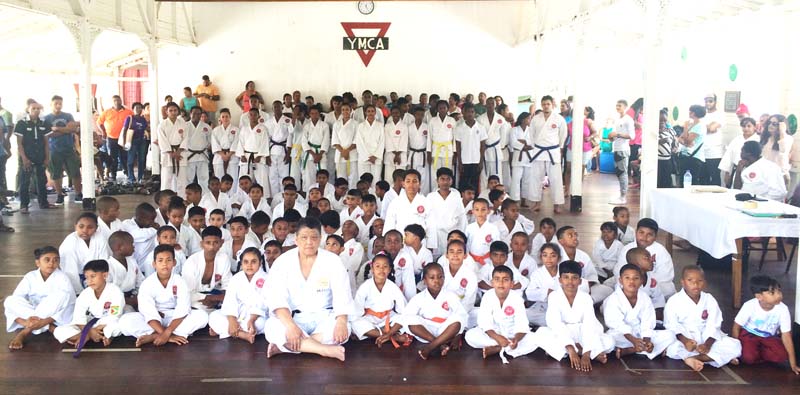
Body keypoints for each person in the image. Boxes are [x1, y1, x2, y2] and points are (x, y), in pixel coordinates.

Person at [264, 217, 354, 361]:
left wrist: (341, 321)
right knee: (271, 327)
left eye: (314, 238)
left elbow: (342, 294)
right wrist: (291, 326)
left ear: (320, 239)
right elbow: (276, 298)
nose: (309, 242)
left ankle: (286, 347)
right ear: (296, 239)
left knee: (343, 330)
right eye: (304, 237)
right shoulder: (283, 261)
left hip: (324, 316)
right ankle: (323, 350)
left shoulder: (333, 261)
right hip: (293, 318)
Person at [119, 245, 209, 347]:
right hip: (155, 319)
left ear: (174, 262)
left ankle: (154, 336)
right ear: (154, 264)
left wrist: (167, 332)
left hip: (175, 318)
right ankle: (168, 336)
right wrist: (166, 334)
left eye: (168, 260)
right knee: (125, 321)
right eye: (160, 260)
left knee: (202, 316)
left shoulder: (180, 281)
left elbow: (183, 308)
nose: (164, 264)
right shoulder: (147, 283)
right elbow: (148, 311)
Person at [536, 260, 614, 371]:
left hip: (582, 332)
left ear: (580, 281)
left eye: (574, 278)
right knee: (540, 334)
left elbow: (589, 324)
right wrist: (571, 349)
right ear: (560, 280)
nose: (570, 282)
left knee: (610, 341)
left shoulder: (586, 298)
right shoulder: (554, 296)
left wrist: (586, 354)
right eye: (566, 277)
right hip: (562, 332)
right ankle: (581, 352)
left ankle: (582, 351)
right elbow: (555, 323)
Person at [664, 265, 741, 371]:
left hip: (706, 337)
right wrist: (685, 341)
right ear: (682, 282)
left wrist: (707, 345)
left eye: (699, 280)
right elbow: (671, 325)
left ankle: (692, 359)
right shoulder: (674, 301)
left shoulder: (709, 299)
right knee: (671, 347)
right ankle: (717, 358)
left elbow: (714, 325)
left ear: (704, 282)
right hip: (685, 337)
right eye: (690, 280)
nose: (695, 284)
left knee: (735, 345)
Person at [4, 246, 75, 350]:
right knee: (9, 300)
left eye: (56, 260)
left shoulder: (62, 277)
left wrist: (44, 320)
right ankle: (45, 327)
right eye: (47, 260)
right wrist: (38, 321)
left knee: (63, 295)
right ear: (38, 263)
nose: (51, 263)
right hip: (32, 312)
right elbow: (18, 296)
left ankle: (25, 331)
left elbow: (70, 302)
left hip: (52, 314)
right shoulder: (30, 276)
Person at [466, 265, 539, 363]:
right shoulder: (488, 296)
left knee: (535, 339)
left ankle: (498, 348)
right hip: (493, 333)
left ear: (512, 284)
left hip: (512, 333)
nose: (501, 283)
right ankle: (504, 347)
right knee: (470, 336)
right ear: (492, 283)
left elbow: (522, 324)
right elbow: (484, 322)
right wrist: (497, 337)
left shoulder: (517, 299)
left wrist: (516, 339)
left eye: (505, 279)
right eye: (497, 279)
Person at [603, 263, 675, 359]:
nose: (631, 281)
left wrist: (646, 340)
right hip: (622, 335)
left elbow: (648, 321)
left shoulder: (644, 298)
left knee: (670, 335)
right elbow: (615, 323)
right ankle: (637, 349)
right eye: (627, 278)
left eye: (636, 278)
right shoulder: (613, 299)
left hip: (639, 333)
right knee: (609, 340)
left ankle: (631, 350)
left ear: (641, 281)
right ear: (620, 280)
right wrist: (633, 340)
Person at [732, 275, 799, 373]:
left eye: (779, 291)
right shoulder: (749, 306)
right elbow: (736, 327)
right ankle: (754, 351)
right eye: (772, 293)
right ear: (759, 297)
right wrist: (735, 351)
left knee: (782, 355)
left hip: (769, 337)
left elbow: (786, 335)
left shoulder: (783, 309)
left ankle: (758, 351)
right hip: (749, 335)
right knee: (748, 358)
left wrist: (793, 364)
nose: (778, 295)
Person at [400, 262, 467, 360]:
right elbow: (406, 317)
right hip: (426, 332)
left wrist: (458, 336)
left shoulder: (450, 296)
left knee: (457, 319)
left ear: (444, 278)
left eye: (440, 277)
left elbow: (462, 316)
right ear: (425, 281)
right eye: (432, 278)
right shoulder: (418, 298)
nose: (437, 281)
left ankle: (430, 347)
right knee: (410, 319)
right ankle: (438, 344)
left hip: (445, 330)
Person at [53, 259, 125, 347]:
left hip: (106, 324)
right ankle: (96, 336)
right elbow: (79, 318)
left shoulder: (115, 292)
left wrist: (93, 330)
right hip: (89, 325)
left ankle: (88, 337)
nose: (89, 281)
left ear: (105, 275)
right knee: (59, 331)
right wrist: (90, 331)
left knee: (117, 326)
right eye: (87, 277)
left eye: (93, 276)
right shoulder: (85, 294)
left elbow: (114, 316)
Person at [208, 247, 268, 343]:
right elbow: (230, 300)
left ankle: (225, 331)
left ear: (260, 263)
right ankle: (242, 334)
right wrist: (232, 320)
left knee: (263, 324)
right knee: (214, 316)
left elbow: (263, 303)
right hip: (236, 313)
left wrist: (252, 320)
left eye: (253, 262)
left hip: (255, 316)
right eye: (246, 262)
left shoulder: (266, 278)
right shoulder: (236, 278)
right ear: (241, 263)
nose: (249, 265)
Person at [350, 253, 410, 347]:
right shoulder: (365, 286)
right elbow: (358, 310)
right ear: (372, 269)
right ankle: (393, 337)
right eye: (377, 266)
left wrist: (397, 322)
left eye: (385, 266)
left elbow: (402, 310)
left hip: (388, 318)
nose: (381, 269)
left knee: (405, 318)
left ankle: (377, 334)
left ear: (389, 270)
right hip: (370, 318)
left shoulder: (393, 287)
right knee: (354, 323)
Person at [15, 101, 56, 213]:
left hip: (40, 156)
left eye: (38, 108)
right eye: (33, 108)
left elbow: (47, 143)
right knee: (25, 181)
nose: (36, 110)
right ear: (28, 109)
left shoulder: (44, 123)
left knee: (41, 180)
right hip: (27, 156)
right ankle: (24, 205)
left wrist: (47, 158)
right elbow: (19, 144)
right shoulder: (22, 123)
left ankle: (43, 202)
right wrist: (24, 158)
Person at [530, 96, 568, 212]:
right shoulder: (536, 118)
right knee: (536, 177)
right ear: (541, 105)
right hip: (539, 150)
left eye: (548, 104)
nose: (546, 106)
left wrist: (560, 147)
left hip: (553, 151)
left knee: (556, 178)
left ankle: (557, 204)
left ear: (552, 104)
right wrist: (534, 146)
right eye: (544, 104)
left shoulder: (559, 119)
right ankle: (537, 203)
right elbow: (531, 134)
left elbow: (563, 134)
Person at [59, 212, 112, 294]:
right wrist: (79, 292)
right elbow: (70, 270)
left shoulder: (100, 238)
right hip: (77, 278)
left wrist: (100, 283)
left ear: (96, 228)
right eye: (81, 226)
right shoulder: (70, 242)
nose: (85, 230)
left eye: (90, 227)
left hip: (97, 276)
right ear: (75, 226)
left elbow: (104, 262)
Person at [383, 169, 437, 250]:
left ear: (419, 184)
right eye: (408, 181)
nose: (411, 184)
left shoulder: (426, 202)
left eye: (414, 181)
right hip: (400, 244)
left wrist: (430, 247)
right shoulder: (395, 203)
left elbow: (431, 227)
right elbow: (389, 225)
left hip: (420, 245)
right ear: (403, 184)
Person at [181, 226, 230, 312]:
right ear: (202, 244)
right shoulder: (192, 262)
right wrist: (210, 298)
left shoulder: (224, 258)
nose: (211, 247)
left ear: (221, 243)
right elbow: (187, 291)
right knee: (201, 312)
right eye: (208, 243)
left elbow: (227, 285)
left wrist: (218, 298)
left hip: (216, 295)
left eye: (215, 242)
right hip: (196, 297)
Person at [45, 95, 83, 203]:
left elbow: (73, 129)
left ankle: (78, 194)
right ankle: (59, 195)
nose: (58, 106)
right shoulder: (47, 118)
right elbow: (49, 134)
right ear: (51, 104)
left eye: (60, 103)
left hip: (69, 149)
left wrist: (57, 128)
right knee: (56, 174)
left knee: (75, 172)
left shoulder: (68, 116)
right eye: (56, 103)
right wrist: (65, 129)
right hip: (54, 150)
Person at [427, 167, 466, 258]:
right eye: (442, 179)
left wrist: (461, 238)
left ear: (451, 181)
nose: (445, 182)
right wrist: (429, 241)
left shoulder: (456, 197)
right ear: (437, 180)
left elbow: (462, 219)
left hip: (452, 235)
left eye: (448, 179)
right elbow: (427, 219)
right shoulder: (430, 197)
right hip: (435, 235)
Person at [154, 102, 188, 196]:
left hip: (180, 153)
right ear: (166, 112)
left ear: (178, 111)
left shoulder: (183, 123)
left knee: (182, 179)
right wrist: (171, 153)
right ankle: (165, 199)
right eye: (171, 110)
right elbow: (162, 140)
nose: (173, 112)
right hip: (168, 154)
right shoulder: (162, 125)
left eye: (175, 110)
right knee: (166, 179)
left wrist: (178, 152)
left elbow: (185, 138)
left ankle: (182, 199)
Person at [98, 95, 134, 182]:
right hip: (111, 138)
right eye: (114, 101)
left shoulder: (128, 112)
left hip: (124, 139)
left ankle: (127, 173)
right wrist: (103, 132)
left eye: (118, 100)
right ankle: (113, 174)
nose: (117, 102)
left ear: (121, 101)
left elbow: (133, 122)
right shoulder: (107, 112)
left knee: (124, 157)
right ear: (112, 102)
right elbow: (99, 122)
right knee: (112, 158)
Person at [478, 97, 510, 191]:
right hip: (484, 150)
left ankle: (498, 195)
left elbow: (503, 135)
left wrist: (499, 146)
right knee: (484, 175)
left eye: (492, 104)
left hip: (496, 150)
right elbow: (479, 136)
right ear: (485, 105)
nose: (490, 106)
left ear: (495, 105)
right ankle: (484, 196)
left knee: (497, 175)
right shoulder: (480, 119)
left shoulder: (500, 119)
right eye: (488, 104)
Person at [106, 231, 144, 307]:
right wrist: (127, 300)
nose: (134, 246)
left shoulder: (132, 262)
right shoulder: (108, 266)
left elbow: (141, 281)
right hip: (116, 301)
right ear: (119, 247)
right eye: (131, 244)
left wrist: (139, 296)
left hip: (134, 296)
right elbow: (106, 291)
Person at [719, 117, 760, 188]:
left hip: (752, 170)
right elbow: (728, 156)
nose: (746, 128)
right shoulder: (736, 140)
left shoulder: (759, 140)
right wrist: (727, 173)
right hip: (736, 169)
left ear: (754, 127)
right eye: (744, 126)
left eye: (749, 126)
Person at [455, 104, 487, 192]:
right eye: (468, 112)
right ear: (463, 113)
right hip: (464, 161)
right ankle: (463, 202)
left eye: (472, 112)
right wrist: (460, 162)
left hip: (476, 160)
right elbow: (458, 146)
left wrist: (481, 161)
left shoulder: (481, 127)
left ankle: (475, 202)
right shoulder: (459, 128)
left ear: (475, 113)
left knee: (475, 183)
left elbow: (483, 145)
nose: (470, 114)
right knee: (463, 183)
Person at [236, 108, 269, 190]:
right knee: (244, 180)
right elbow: (240, 142)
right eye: (251, 115)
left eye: (255, 115)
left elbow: (265, 142)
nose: (253, 116)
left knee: (262, 180)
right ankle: (242, 199)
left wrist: (260, 155)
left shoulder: (263, 128)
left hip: (258, 157)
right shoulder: (244, 128)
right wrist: (241, 155)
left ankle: (263, 198)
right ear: (248, 116)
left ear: (259, 116)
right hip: (246, 157)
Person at [265, 101, 293, 198]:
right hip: (272, 151)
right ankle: (275, 198)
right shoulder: (268, 123)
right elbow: (266, 139)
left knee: (284, 176)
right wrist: (267, 155)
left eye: (279, 107)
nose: (277, 108)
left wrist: (288, 153)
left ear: (282, 108)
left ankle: (283, 197)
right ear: (272, 109)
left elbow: (290, 136)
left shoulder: (288, 121)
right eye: (275, 107)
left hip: (284, 151)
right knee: (272, 177)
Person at [608, 100, 633, 204]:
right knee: (619, 173)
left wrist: (617, 134)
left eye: (620, 106)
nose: (617, 107)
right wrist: (611, 137)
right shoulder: (617, 119)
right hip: (617, 148)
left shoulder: (628, 120)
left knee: (623, 173)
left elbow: (632, 136)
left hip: (623, 150)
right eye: (616, 105)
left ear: (625, 107)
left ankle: (623, 197)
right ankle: (621, 195)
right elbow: (615, 135)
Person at [301, 105, 330, 193]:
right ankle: (309, 198)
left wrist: (319, 154)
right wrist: (313, 154)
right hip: (310, 154)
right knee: (309, 177)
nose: (314, 115)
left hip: (321, 153)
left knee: (322, 176)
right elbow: (304, 141)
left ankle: (323, 196)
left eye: (316, 113)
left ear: (319, 114)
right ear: (309, 114)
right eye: (312, 113)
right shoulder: (306, 126)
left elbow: (326, 141)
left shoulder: (324, 125)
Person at [677, 105, 707, 187]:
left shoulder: (699, 126)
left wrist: (686, 127)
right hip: (685, 155)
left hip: (694, 158)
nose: (689, 113)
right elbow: (680, 139)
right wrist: (686, 141)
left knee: (691, 182)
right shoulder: (692, 124)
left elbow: (687, 140)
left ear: (694, 113)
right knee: (682, 181)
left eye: (690, 111)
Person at [428, 100, 457, 183]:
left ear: (447, 109)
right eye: (440, 108)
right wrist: (428, 153)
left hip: (448, 150)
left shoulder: (452, 120)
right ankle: (435, 191)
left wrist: (455, 153)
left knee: (448, 173)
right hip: (435, 150)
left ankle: (447, 190)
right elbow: (429, 138)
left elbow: (455, 137)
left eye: (444, 108)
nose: (442, 110)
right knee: (435, 173)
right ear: (437, 109)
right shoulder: (432, 121)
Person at [355, 104, 385, 185]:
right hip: (364, 157)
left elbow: (382, 142)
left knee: (376, 179)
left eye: (372, 111)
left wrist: (375, 156)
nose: (370, 113)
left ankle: (375, 197)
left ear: (375, 112)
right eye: (368, 111)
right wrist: (367, 156)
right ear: (365, 113)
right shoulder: (360, 126)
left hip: (376, 157)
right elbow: (359, 143)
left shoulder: (380, 126)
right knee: (363, 180)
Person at [184, 107, 211, 194]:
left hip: (202, 155)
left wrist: (207, 147)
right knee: (188, 178)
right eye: (194, 113)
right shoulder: (185, 126)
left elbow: (210, 141)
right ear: (190, 114)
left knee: (204, 178)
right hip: (189, 155)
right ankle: (188, 197)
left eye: (199, 114)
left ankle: (204, 197)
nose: (196, 115)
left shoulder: (206, 127)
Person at [465, 198, 499, 267]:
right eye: (477, 209)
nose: (480, 212)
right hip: (471, 260)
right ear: (473, 211)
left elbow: (496, 246)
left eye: (483, 209)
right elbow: (466, 245)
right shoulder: (469, 228)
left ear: (488, 211)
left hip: (488, 260)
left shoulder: (493, 228)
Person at [332, 102, 359, 187]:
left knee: (353, 177)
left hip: (352, 154)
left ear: (351, 111)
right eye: (343, 110)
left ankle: (352, 195)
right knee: (341, 178)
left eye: (347, 109)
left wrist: (347, 151)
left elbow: (356, 140)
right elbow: (335, 140)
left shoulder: (356, 124)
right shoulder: (336, 124)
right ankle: (343, 196)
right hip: (340, 154)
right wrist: (343, 151)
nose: (345, 111)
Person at [509, 112, 534, 204]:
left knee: (527, 180)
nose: (530, 120)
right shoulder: (514, 130)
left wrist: (524, 142)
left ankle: (524, 199)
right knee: (516, 179)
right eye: (528, 118)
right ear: (523, 119)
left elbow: (533, 143)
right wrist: (526, 145)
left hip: (528, 157)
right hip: (518, 157)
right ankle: (514, 199)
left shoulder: (531, 130)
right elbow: (513, 143)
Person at [121, 102, 149, 184]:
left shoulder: (143, 119)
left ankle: (140, 178)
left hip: (142, 141)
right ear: (133, 109)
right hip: (132, 141)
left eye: (140, 108)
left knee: (141, 160)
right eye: (136, 108)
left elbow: (145, 129)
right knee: (131, 160)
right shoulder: (129, 118)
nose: (138, 109)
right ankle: (131, 178)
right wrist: (123, 142)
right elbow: (124, 130)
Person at [760, 114, 792, 183]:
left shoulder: (788, 138)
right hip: (765, 174)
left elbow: (783, 150)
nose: (770, 125)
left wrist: (782, 132)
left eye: (774, 124)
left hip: (780, 176)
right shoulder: (767, 138)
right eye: (769, 123)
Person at [211, 108, 239, 183]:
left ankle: (232, 194)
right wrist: (222, 155)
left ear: (230, 117)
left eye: (227, 116)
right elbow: (215, 144)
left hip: (232, 156)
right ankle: (220, 194)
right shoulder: (215, 130)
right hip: (219, 156)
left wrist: (229, 154)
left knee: (233, 178)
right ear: (220, 118)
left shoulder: (236, 129)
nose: (225, 118)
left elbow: (236, 143)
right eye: (223, 117)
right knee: (219, 179)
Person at [407, 106, 431, 194]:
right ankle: (413, 193)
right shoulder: (409, 127)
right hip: (413, 154)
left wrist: (429, 154)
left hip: (423, 154)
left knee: (423, 177)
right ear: (414, 115)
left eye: (422, 115)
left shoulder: (427, 127)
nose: (419, 116)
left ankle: (423, 195)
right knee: (412, 176)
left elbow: (429, 141)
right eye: (417, 114)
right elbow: (407, 142)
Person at [701, 94, 724, 186]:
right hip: (701, 151)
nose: (708, 103)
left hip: (715, 152)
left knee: (714, 178)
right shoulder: (702, 115)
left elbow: (711, 129)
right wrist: (707, 127)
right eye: (706, 101)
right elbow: (697, 129)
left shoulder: (720, 115)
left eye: (710, 101)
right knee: (702, 179)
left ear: (715, 102)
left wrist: (705, 127)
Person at [384, 107, 409, 181]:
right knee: (389, 177)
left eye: (397, 113)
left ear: (400, 114)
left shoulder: (404, 126)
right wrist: (395, 153)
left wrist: (398, 154)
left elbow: (404, 141)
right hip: (390, 154)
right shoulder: (387, 126)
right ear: (391, 114)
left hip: (401, 155)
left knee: (401, 177)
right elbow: (387, 140)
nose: (395, 114)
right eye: (393, 113)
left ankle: (401, 191)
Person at [657, 108, 678, 188]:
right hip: (656, 161)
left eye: (664, 120)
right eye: (660, 120)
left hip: (668, 160)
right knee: (658, 181)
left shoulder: (670, 130)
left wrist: (675, 147)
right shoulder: (652, 131)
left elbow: (675, 141)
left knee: (666, 181)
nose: (662, 122)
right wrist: (660, 141)